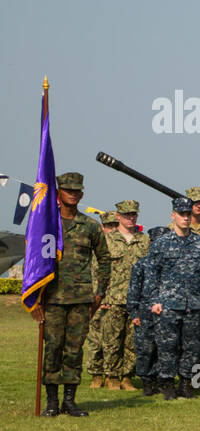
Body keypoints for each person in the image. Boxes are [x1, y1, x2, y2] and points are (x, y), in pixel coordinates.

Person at [33, 172, 110, 416]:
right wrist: (35, 298)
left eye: (77, 191)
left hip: (80, 299)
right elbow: (33, 260)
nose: (73, 194)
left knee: (74, 350)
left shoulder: (89, 226)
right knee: (53, 348)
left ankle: (69, 401)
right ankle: (52, 402)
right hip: (53, 298)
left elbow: (105, 259)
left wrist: (99, 294)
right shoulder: (46, 224)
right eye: (68, 190)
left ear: (82, 194)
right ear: (58, 193)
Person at [147, 197, 200, 400]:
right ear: (173, 215)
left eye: (188, 214)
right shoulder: (161, 243)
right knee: (167, 346)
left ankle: (185, 383)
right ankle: (167, 384)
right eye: (181, 214)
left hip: (193, 303)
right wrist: (154, 300)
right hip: (167, 304)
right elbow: (151, 274)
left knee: (191, 347)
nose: (185, 218)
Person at [98, 200, 150, 390]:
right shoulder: (108, 240)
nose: (131, 218)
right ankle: (112, 376)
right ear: (118, 216)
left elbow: (149, 270)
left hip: (137, 300)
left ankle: (127, 376)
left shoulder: (144, 240)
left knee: (133, 341)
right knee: (112, 340)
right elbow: (99, 269)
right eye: (126, 214)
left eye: (133, 214)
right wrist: (100, 297)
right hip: (113, 298)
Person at [128, 226, 167, 395]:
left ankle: (161, 381)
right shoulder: (142, 264)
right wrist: (134, 313)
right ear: (151, 243)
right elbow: (133, 290)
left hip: (167, 312)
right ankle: (147, 382)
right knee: (146, 349)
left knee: (164, 348)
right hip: (145, 313)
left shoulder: (171, 263)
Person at [84, 210, 116, 388]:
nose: (112, 229)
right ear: (102, 227)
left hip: (112, 297)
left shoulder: (118, 246)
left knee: (112, 340)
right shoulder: (95, 246)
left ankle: (112, 373)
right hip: (94, 297)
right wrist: (97, 297)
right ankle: (96, 374)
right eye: (109, 226)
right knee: (95, 339)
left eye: (115, 225)